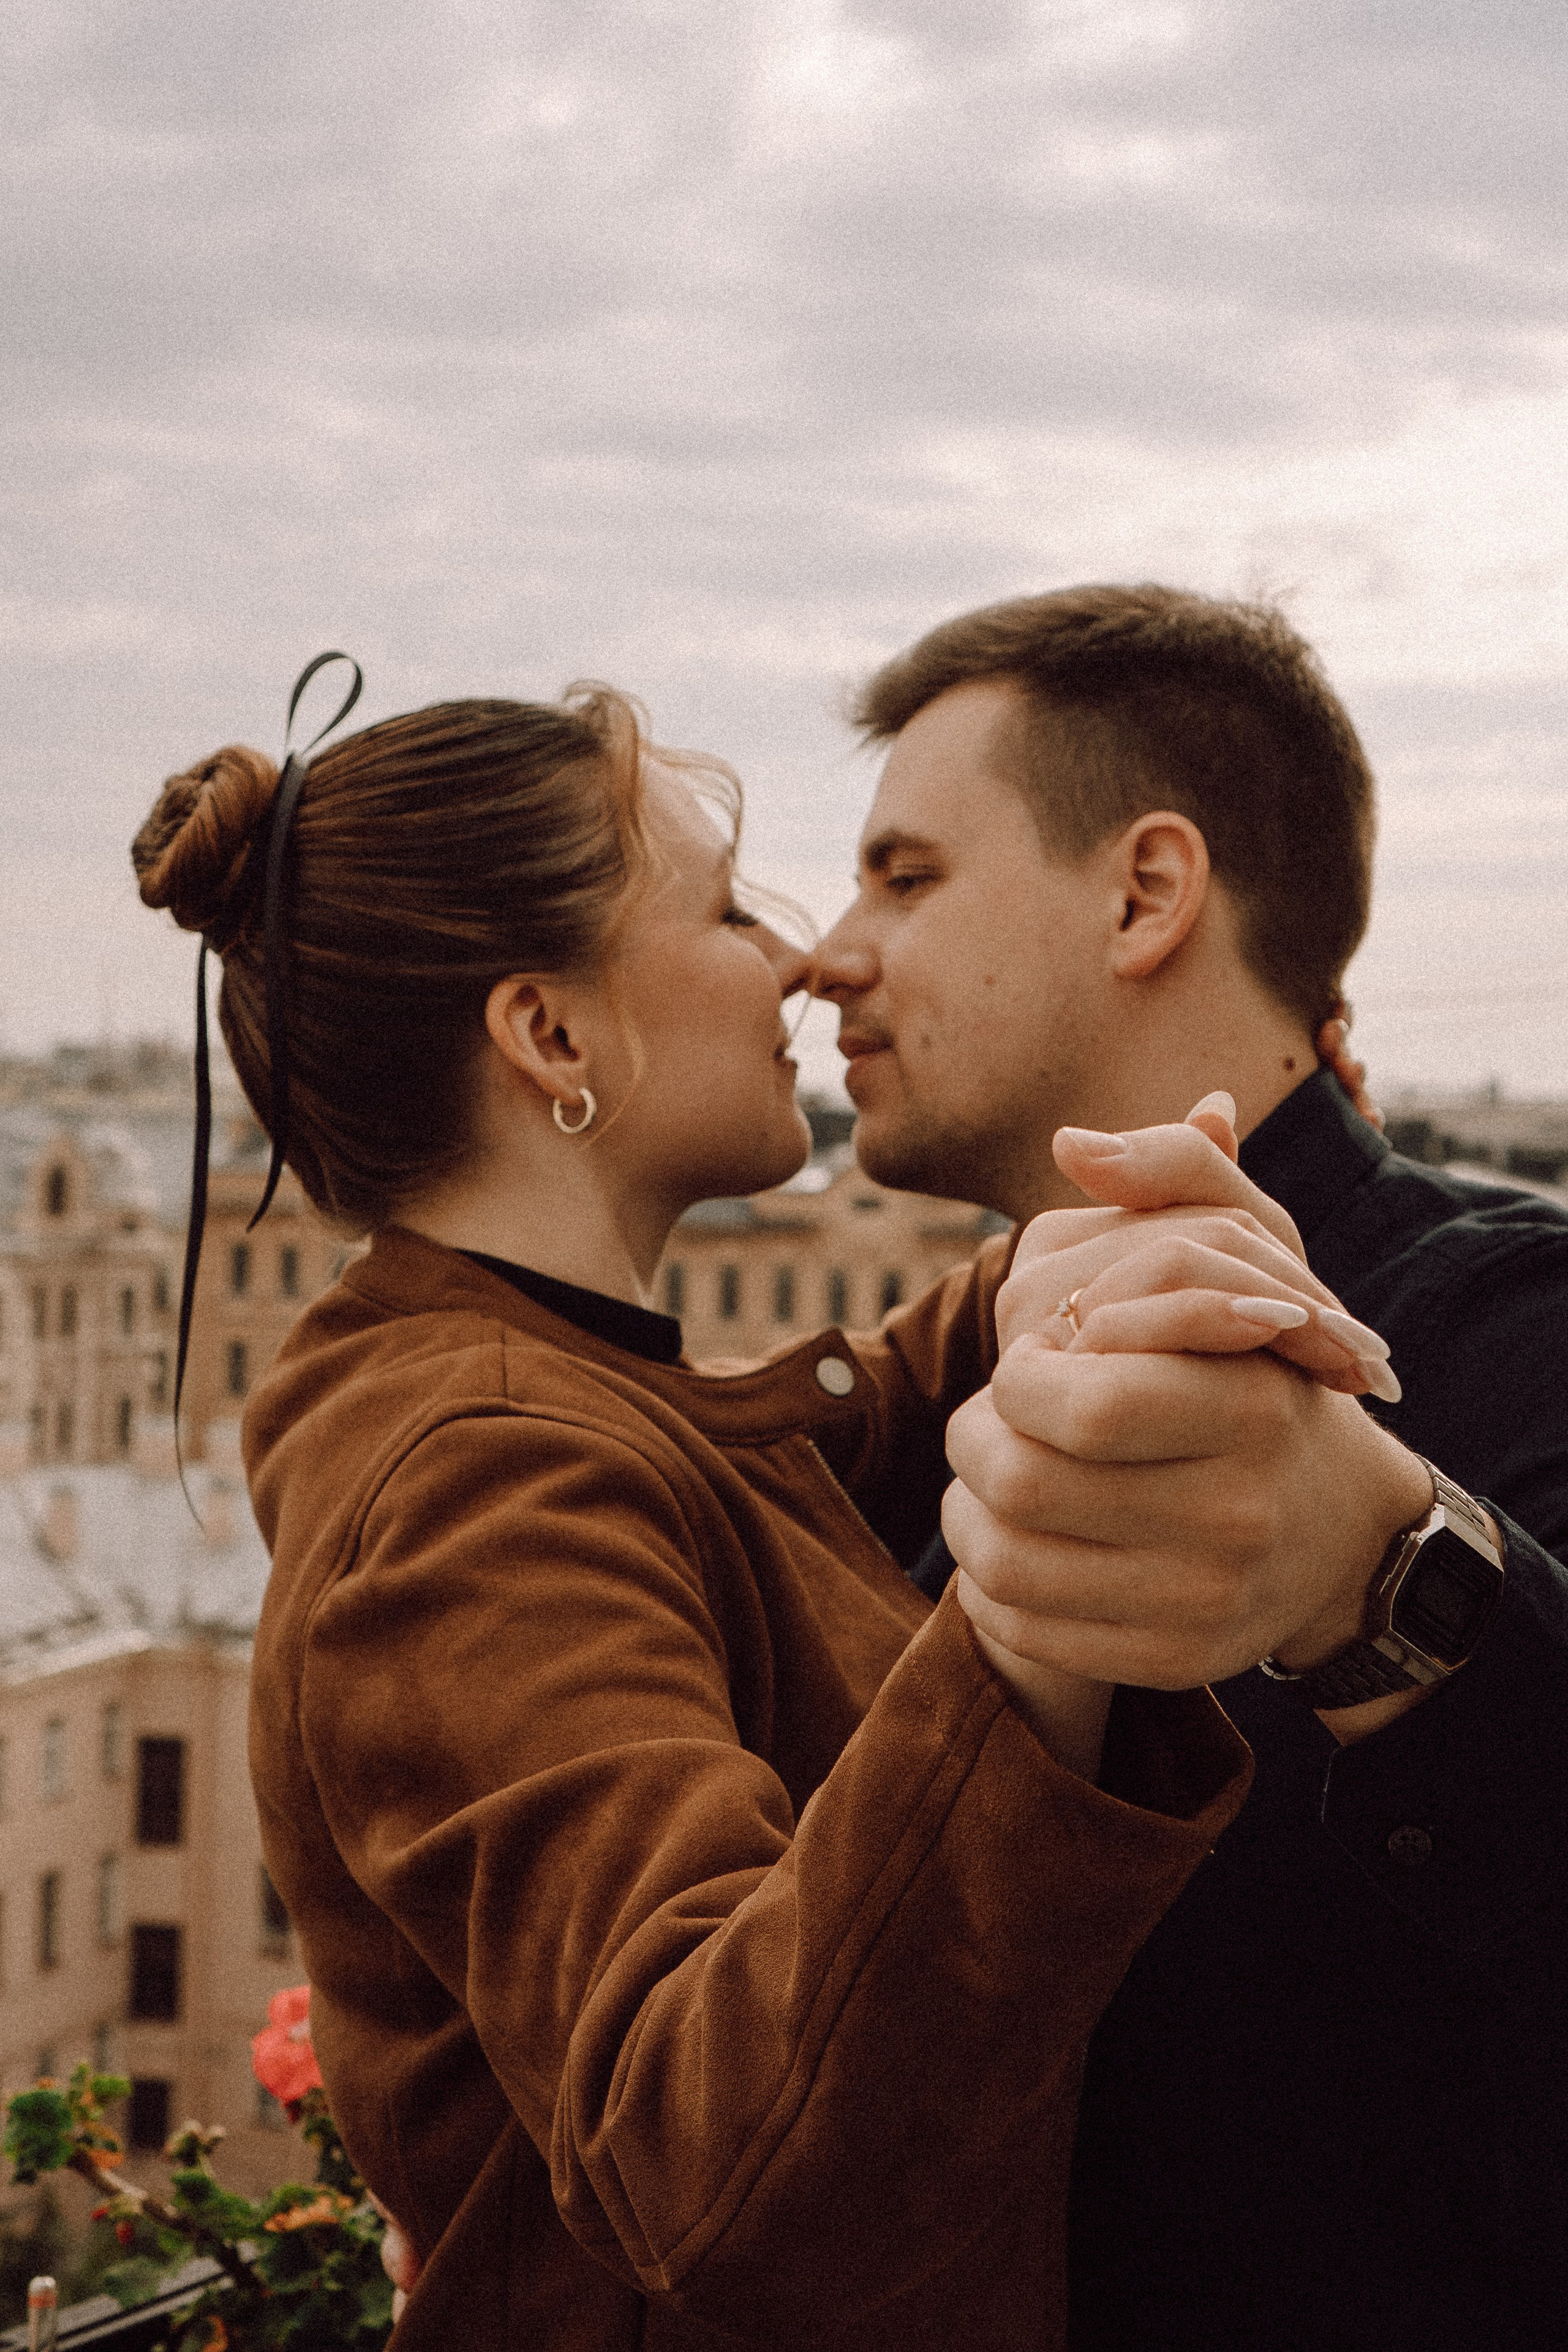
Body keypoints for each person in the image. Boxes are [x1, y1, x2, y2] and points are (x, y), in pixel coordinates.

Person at [132, 678, 1419, 2350]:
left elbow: (810, 1440)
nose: (801, 959)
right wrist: (1035, 1613)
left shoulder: (545, 1391)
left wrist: (1117, 1234)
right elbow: (719, 2163)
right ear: (552, 1037)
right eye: (727, 908)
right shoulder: (473, 1478)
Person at [812, 582, 1568, 2351]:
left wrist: (1377, 1573)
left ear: (1148, 892)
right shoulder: (932, 1403)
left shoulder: (1511, 1325)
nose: (827, 952)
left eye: (904, 877)